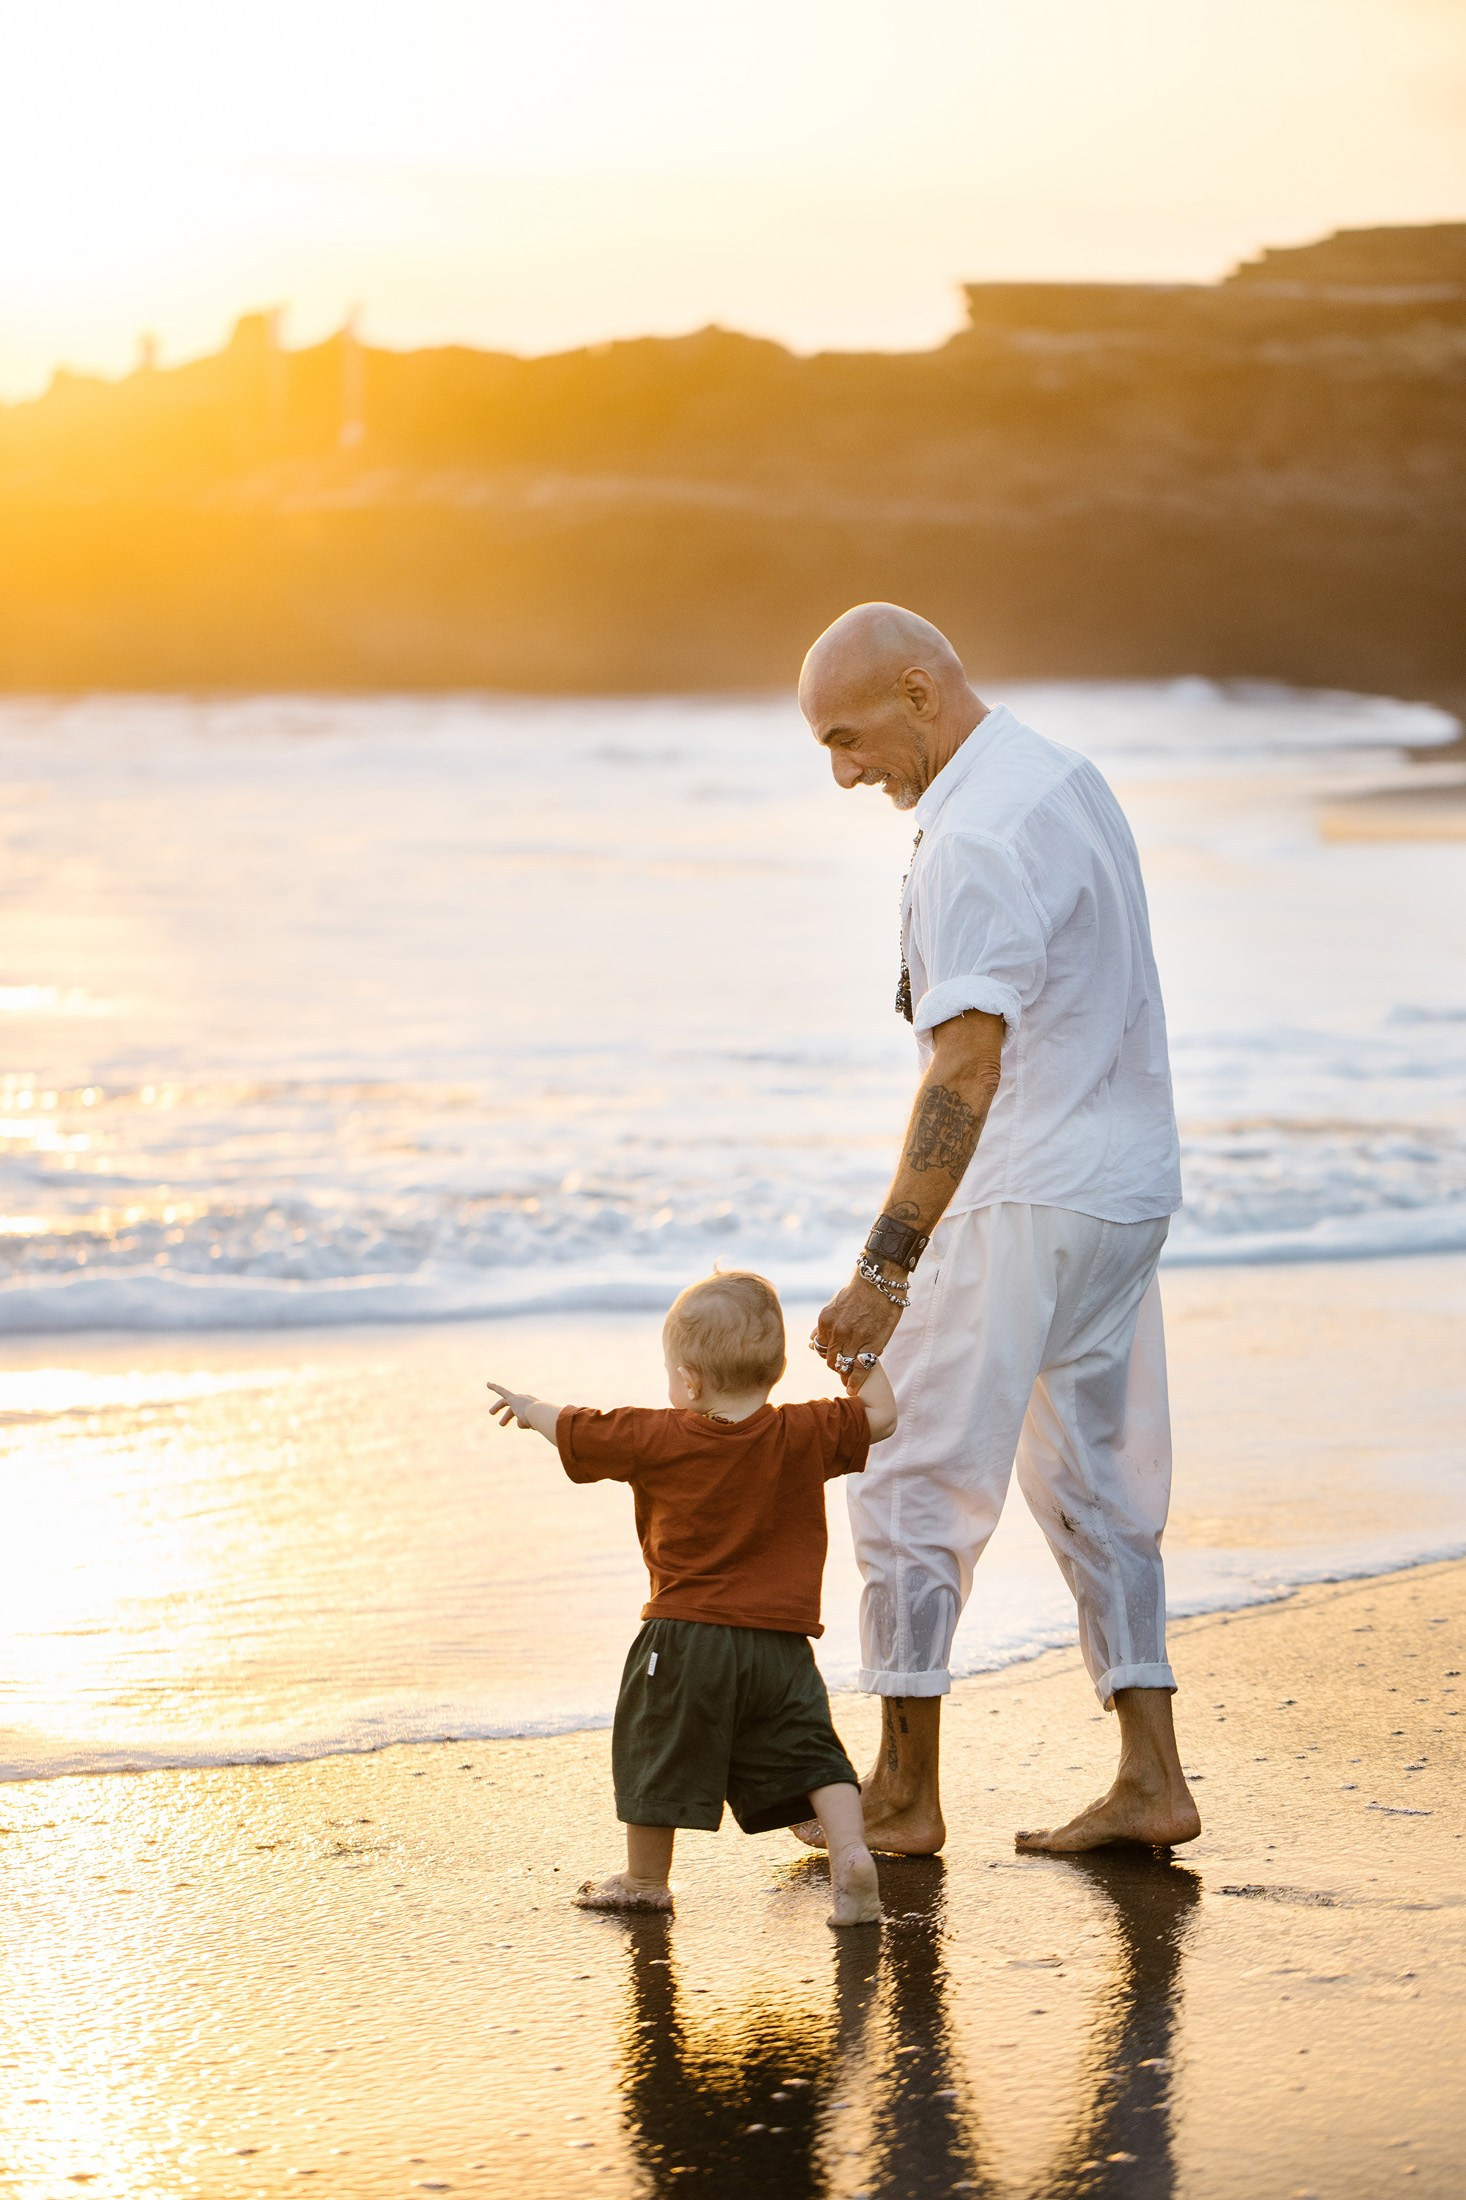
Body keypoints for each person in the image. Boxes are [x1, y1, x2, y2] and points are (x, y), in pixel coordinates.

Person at [799, 602, 1200, 1859]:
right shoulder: (1059, 776)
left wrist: (882, 1268)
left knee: (907, 1474)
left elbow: (965, 1068)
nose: (843, 772)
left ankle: (901, 1792)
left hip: (1017, 1191)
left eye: (847, 737)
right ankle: (1150, 1777)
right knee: (1100, 1482)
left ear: (919, 691)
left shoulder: (970, 833)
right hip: (1121, 1185)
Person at [485, 1268, 897, 1923]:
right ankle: (850, 1855)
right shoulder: (805, 1431)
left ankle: (646, 1880)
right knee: (812, 1750)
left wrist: (529, 1406)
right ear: (777, 1368)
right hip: (781, 1645)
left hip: (684, 1638)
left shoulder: (655, 1435)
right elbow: (881, 1417)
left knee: (655, 1746)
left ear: (690, 1380)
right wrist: (855, 1361)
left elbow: (579, 1429)